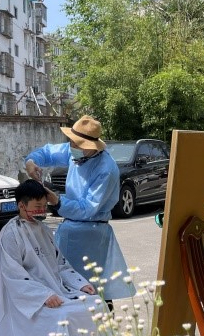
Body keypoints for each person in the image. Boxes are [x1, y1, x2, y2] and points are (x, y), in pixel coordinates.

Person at [0, 180, 114, 336]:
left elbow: (60, 264)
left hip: (56, 290)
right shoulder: (10, 234)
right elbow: (13, 276)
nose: (42, 211)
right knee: (64, 319)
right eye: (36, 206)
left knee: (98, 305)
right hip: (26, 300)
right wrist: (42, 296)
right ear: (21, 206)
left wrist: (81, 283)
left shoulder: (44, 229)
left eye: (44, 206)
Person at [24, 115, 135, 301]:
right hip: (70, 228)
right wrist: (30, 163)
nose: (72, 147)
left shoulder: (106, 169)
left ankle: (102, 328)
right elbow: (47, 153)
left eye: (77, 144)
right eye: (71, 142)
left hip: (91, 233)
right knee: (65, 285)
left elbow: (87, 209)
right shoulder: (75, 152)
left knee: (93, 290)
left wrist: (57, 201)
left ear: (90, 147)